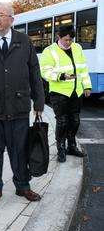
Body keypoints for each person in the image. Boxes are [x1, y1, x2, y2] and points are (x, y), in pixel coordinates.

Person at [0, 2, 44, 206]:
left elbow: (35, 73)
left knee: (20, 151)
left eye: (1, 15)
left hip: (19, 109)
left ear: (12, 20)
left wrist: (39, 101)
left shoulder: (24, 42)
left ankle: (23, 186)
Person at [40, 25, 91, 163]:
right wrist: (61, 76)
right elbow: (44, 72)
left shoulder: (77, 48)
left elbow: (83, 69)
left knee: (75, 121)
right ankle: (61, 149)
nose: (69, 43)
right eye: (66, 40)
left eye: (71, 40)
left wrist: (87, 86)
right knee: (62, 122)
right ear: (59, 37)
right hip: (59, 92)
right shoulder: (49, 51)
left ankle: (72, 147)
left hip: (76, 91)